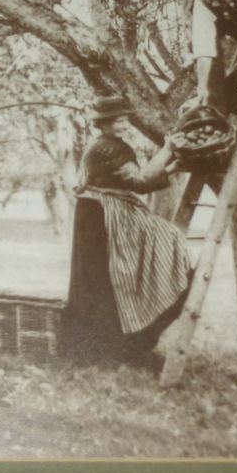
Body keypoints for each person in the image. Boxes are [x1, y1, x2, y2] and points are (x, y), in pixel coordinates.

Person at [62, 94, 192, 369]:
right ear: (104, 124)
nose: (122, 125)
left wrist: (172, 166)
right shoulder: (109, 148)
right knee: (112, 282)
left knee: (105, 284)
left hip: (97, 217)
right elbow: (141, 181)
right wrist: (168, 149)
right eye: (115, 121)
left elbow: (138, 182)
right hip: (103, 219)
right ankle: (120, 350)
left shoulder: (107, 145)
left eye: (123, 119)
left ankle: (121, 348)